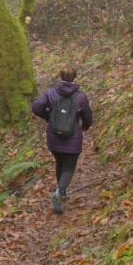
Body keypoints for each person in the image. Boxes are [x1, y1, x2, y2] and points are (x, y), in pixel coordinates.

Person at [31, 67, 93, 214]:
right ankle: (59, 192)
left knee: (60, 162)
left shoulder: (51, 92)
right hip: (73, 137)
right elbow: (88, 117)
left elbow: (36, 107)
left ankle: (62, 192)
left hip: (53, 137)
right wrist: (84, 126)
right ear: (75, 77)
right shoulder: (81, 97)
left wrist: (49, 117)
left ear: (60, 76)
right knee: (69, 167)